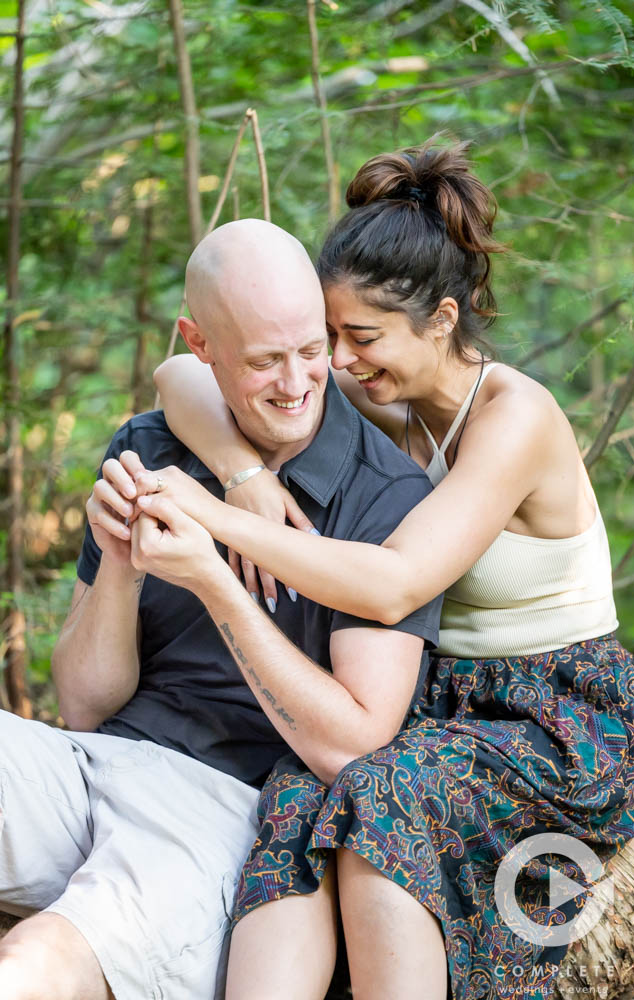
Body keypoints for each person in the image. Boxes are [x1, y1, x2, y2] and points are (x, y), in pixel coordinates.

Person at [151, 139, 634, 1000]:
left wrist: (206, 518)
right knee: (295, 792)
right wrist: (242, 480)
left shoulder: (515, 415)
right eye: (329, 339)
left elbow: (395, 582)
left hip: (556, 717)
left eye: (360, 338)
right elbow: (180, 373)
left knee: (383, 796)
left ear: (443, 318)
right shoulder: (382, 404)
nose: (339, 364)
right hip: (438, 705)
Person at [0, 221, 443, 1000]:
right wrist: (120, 574)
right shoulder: (152, 442)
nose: (297, 383)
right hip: (89, 767)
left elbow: (351, 748)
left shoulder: (387, 497)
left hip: (221, 811)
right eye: (265, 361)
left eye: (312, 350)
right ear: (198, 344)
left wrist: (215, 581)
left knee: (34, 961)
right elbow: (81, 703)